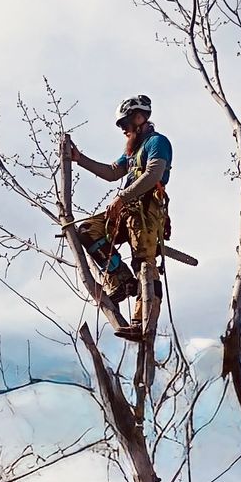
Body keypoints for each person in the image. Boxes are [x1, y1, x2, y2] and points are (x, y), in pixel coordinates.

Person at [67, 94, 172, 341]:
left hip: (146, 211)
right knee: (88, 230)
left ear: (140, 118)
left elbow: (154, 174)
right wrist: (80, 160)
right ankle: (122, 280)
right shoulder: (133, 151)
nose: (123, 129)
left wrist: (122, 198)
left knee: (144, 264)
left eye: (125, 123)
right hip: (127, 210)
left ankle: (142, 322)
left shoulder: (157, 142)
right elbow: (113, 172)